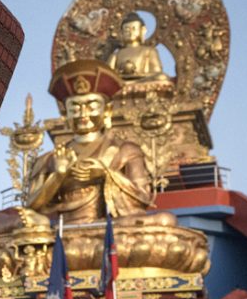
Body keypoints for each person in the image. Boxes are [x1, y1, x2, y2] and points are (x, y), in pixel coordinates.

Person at [25, 59, 154, 224]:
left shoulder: (126, 150)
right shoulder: (49, 159)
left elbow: (143, 197)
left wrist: (106, 174)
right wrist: (58, 175)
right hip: (62, 224)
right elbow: (32, 206)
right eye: (74, 108)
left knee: (164, 220)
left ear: (107, 111)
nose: (83, 114)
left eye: (92, 106)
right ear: (65, 114)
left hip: (108, 223)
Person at [108, 13, 169, 82]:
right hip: (120, 83)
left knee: (161, 77)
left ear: (142, 30)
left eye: (134, 29)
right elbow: (108, 76)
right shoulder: (116, 54)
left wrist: (138, 76)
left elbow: (157, 72)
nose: (130, 32)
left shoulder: (149, 51)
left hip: (142, 82)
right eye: (127, 30)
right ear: (121, 33)